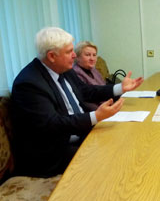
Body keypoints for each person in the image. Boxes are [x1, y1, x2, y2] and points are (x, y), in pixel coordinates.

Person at [11, 27, 144, 177]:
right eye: (69, 52)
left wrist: (121, 87)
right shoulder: (29, 83)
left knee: (127, 139)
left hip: (79, 134)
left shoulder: (63, 69)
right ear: (51, 56)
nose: (74, 55)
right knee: (113, 160)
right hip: (54, 152)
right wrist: (95, 116)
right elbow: (53, 124)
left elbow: (86, 91)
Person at [73, 41, 106, 110]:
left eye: (94, 55)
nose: (92, 59)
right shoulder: (75, 73)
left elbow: (104, 88)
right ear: (77, 57)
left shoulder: (93, 69)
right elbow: (85, 101)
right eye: (88, 55)